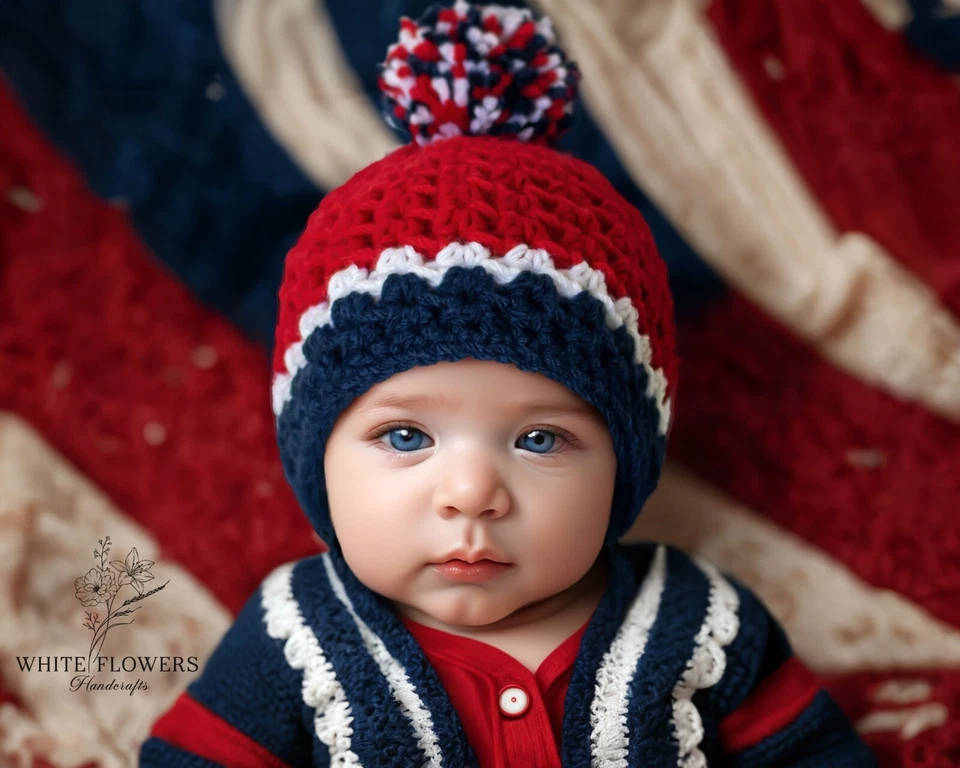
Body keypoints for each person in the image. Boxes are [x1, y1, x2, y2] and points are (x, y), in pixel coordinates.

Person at [140, 2, 876, 765]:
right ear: (315, 459)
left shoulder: (701, 623)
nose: (471, 493)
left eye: (538, 438)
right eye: (405, 436)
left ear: (627, 463)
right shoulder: (295, 635)